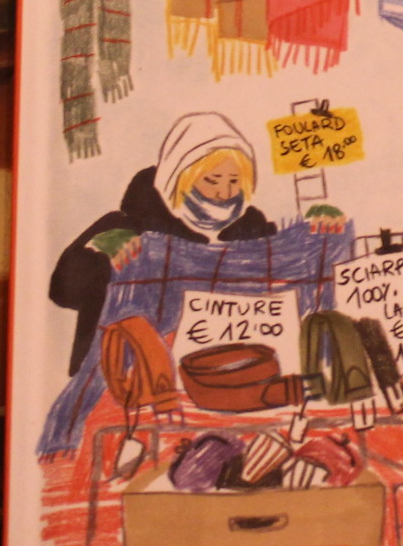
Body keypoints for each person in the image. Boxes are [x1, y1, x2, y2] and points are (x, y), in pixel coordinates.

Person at [46, 111, 275, 377]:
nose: (224, 193)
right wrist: (96, 250)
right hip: (126, 379)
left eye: (234, 181)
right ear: (180, 175)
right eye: (212, 180)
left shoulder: (252, 232)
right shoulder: (129, 227)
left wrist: (313, 234)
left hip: (226, 373)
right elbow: (62, 293)